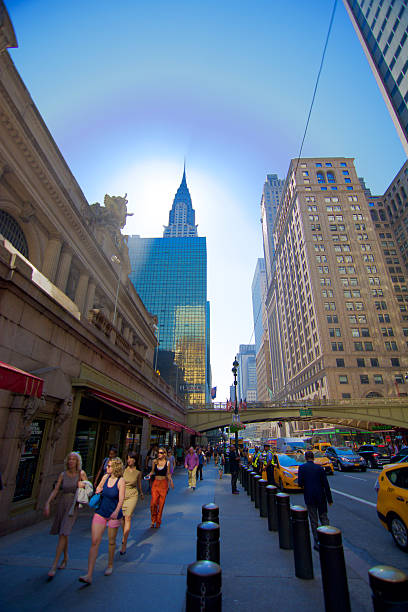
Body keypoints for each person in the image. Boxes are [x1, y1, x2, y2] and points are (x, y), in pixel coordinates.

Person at [79, 457, 125, 584]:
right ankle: (89, 574)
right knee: (94, 541)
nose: (107, 468)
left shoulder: (121, 481)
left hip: (113, 514)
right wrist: (99, 488)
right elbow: (98, 490)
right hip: (101, 512)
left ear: (115, 467)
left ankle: (110, 565)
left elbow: (121, 499)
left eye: (109, 466)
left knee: (111, 541)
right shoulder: (105, 478)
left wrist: (116, 512)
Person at [44, 451, 87, 578]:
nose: (71, 461)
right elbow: (56, 489)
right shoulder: (63, 475)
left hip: (73, 506)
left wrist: (83, 485)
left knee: (63, 532)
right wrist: (47, 503)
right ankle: (66, 557)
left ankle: (54, 565)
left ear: (77, 461)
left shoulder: (81, 474)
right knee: (64, 532)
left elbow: (90, 488)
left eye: (73, 459)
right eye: (69, 459)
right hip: (62, 504)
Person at [298, 450, 333, 551]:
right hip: (321, 496)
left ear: (305, 457)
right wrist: (329, 499)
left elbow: (300, 483)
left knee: (313, 520)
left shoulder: (302, 468)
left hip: (309, 496)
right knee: (324, 517)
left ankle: (316, 541)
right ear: (313, 458)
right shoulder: (319, 468)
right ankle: (328, 537)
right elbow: (326, 484)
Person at [120, 451, 144, 555]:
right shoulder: (122, 470)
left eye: (131, 458)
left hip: (132, 495)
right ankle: (124, 534)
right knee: (121, 518)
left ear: (135, 460)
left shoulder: (138, 472)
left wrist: (141, 493)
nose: (129, 460)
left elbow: (139, 484)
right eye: (128, 458)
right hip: (122, 495)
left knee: (128, 517)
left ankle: (124, 543)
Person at [148, 447, 174, 528]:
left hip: (163, 484)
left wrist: (171, 481)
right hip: (156, 483)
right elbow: (152, 471)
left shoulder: (167, 463)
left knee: (161, 504)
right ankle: (153, 519)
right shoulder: (154, 462)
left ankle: (158, 521)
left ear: (164, 454)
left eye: (161, 453)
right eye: (158, 452)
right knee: (153, 503)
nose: (159, 454)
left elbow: (168, 473)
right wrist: (148, 475)